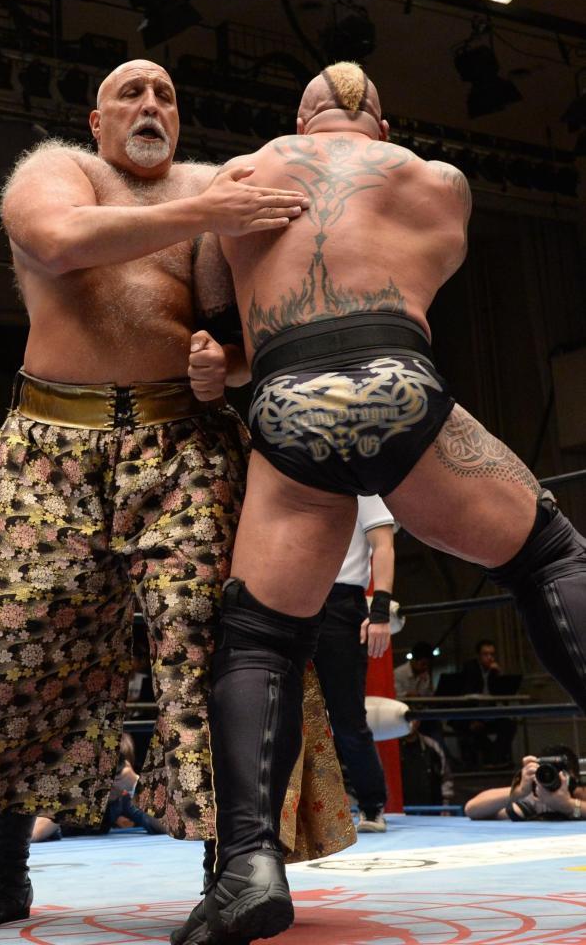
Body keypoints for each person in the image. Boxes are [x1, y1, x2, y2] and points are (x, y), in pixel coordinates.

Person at [0, 58, 313, 932]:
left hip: (180, 442)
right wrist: (206, 210)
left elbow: (249, 338)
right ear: (98, 119)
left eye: (166, 96)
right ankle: (5, 870)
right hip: (48, 444)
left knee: (209, 645)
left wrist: (220, 366)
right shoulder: (59, 169)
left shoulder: (211, 194)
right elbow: (57, 240)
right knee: (7, 648)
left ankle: (232, 870)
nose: (151, 105)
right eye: (131, 94)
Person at [174, 60, 586, 945]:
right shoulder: (436, 182)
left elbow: (224, 329)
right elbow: (413, 278)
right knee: (549, 557)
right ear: (383, 128)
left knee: (258, 638)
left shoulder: (238, 178)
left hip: (288, 400)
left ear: (299, 121)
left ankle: (248, 869)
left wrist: (220, 364)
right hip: (398, 383)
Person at [313, 495, 394, 833]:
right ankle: (292, 812)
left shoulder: (362, 488)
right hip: (293, 598)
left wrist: (380, 610)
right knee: (287, 712)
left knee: (347, 715)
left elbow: (383, 544)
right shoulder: (295, 482)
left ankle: (372, 805)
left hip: (342, 602)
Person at [32, 732, 165, 840]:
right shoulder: (71, 790)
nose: (110, 781)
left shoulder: (123, 799)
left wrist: (136, 784)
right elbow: (33, 833)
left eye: (116, 771)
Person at [464, 746, 584, 821]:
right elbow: (472, 809)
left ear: (574, 776)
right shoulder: (530, 800)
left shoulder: (579, 794)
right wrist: (518, 791)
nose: (554, 778)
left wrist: (569, 805)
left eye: (561, 773)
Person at [456, 638, 517, 767]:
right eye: (485, 654)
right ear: (478, 656)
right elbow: (466, 694)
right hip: (471, 714)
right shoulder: (470, 668)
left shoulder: (494, 670)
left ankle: (494, 760)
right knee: (476, 731)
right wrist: (472, 719)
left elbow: (502, 694)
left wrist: (499, 675)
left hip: (490, 713)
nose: (490, 657)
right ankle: (493, 760)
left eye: (492, 654)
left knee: (509, 725)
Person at [400, 720, 454, 811]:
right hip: (402, 810)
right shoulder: (392, 749)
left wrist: (446, 805)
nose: (410, 724)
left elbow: (446, 776)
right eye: (407, 720)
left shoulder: (432, 745)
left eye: (413, 719)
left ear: (418, 722)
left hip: (431, 808)